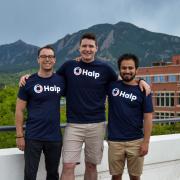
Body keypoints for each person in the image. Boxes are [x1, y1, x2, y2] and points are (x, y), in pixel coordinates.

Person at [19, 33, 150, 180]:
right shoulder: (69, 65)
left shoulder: (105, 69)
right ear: (79, 48)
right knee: (68, 165)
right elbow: (49, 75)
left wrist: (140, 81)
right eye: (84, 46)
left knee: (91, 165)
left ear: (96, 48)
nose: (87, 49)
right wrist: (29, 77)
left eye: (91, 46)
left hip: (97, 124)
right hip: (73, 125)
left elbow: (124, 80)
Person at [15, 45, 65, 180]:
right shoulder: (28, 82)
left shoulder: (61, 81)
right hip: (33, 137)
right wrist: (19, 136)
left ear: (54, 60)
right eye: (43, 56)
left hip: (54, 137)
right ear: (38, 59)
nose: (47, 59)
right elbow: (19, 110)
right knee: (30, 175)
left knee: (53, 174)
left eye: (50, 56)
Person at [107, 53, 153, 180]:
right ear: (119, 69)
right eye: (124, 68)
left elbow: (148, 117)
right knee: (116, 177)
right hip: (115, 141)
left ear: (136, 70)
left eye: (130, 68)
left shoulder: (145, 91)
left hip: (136, 141)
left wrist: (146, 142)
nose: (127, 71)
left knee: (135, 177)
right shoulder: (112, 86)